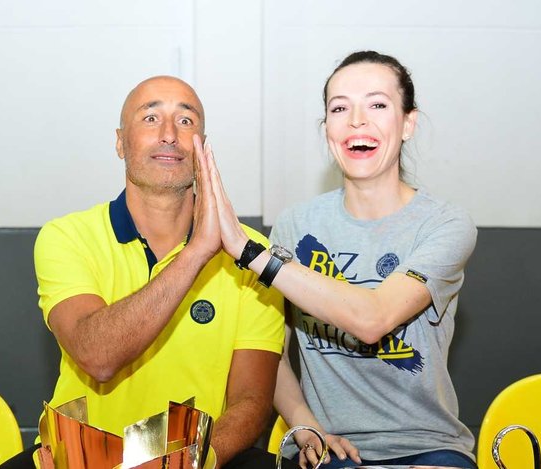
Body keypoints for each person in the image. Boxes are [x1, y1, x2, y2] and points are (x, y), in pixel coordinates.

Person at [201, 51, 478, 468]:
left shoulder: (445, 224)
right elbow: (271, 352)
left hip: (427, 448)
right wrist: (305, 424)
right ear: (327, 128)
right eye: (339, 108)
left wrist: (248, 251)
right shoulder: (296, 224)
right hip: (331, 452)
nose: (356, 121)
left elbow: (372, 319)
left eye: (377, 105)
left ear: (408, 123)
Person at [0, 75, 289, 469]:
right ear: (121, 142)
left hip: (196, 458)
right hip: (75, 459)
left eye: (185, 121)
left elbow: (250, 400)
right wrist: (197, 252)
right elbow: (97, 356)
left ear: (202, 146)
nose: (169, 134)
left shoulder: (251, 253)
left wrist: (196, 461)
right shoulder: (67, 236)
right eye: (150, 118)